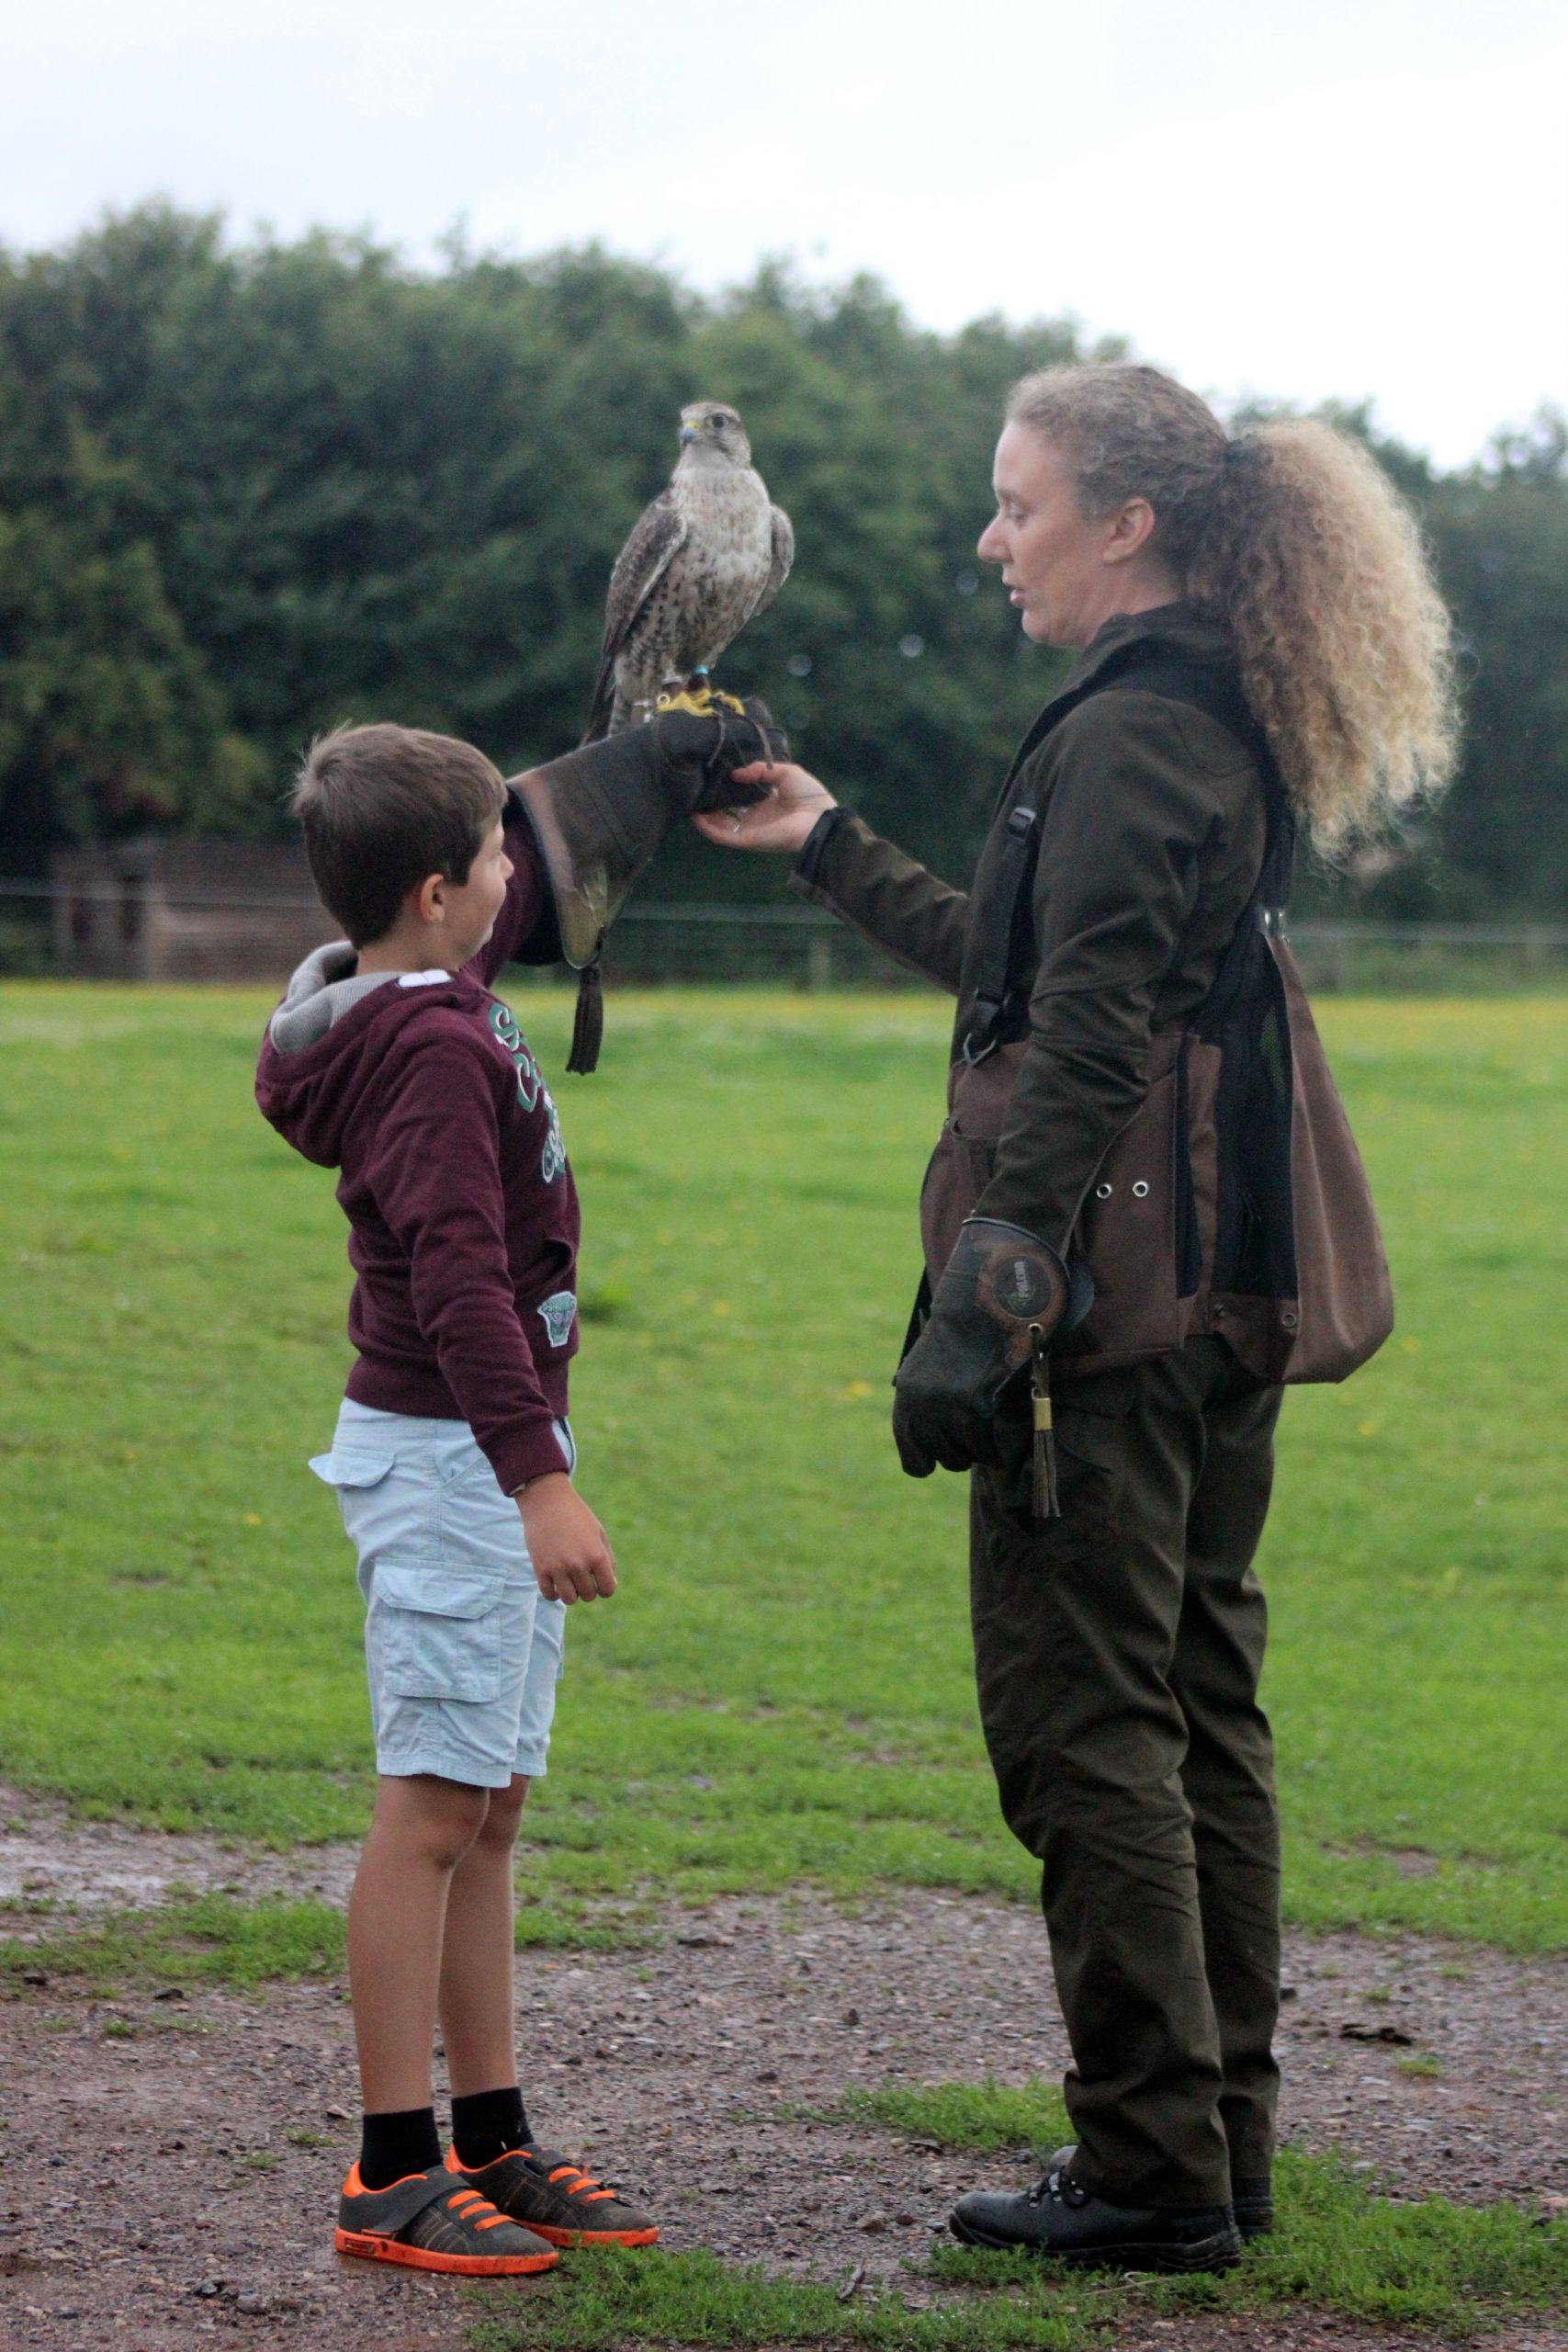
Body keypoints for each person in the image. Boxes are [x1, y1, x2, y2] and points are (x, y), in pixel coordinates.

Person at [695, 363, 1456, 2274]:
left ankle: (1146, 2167)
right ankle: (1217, 2142)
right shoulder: (1198, 711)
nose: (987, 537)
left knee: (1087, 1723)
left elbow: (1088, 1033)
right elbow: (1038, 970)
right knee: (1198, 1707)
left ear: (1123, 525)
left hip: (1117, 1305)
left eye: (1015, 504)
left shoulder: (1129, 735)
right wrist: (827, 842)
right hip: (1215, 1285)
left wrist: (993, 1292)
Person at [257, 704, 779, 2273]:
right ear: (433, 892)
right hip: (457, 1464)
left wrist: (647, 762)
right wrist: (540, 1484)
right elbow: (460, 1281)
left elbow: (509, 893)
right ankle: (388, 2170)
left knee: (487, 1814)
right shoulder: (420, 1046)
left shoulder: (426, 990)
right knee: (428, 1813)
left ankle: (489, 2139)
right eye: (492, 852)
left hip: (473, 1462)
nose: (515, 874)